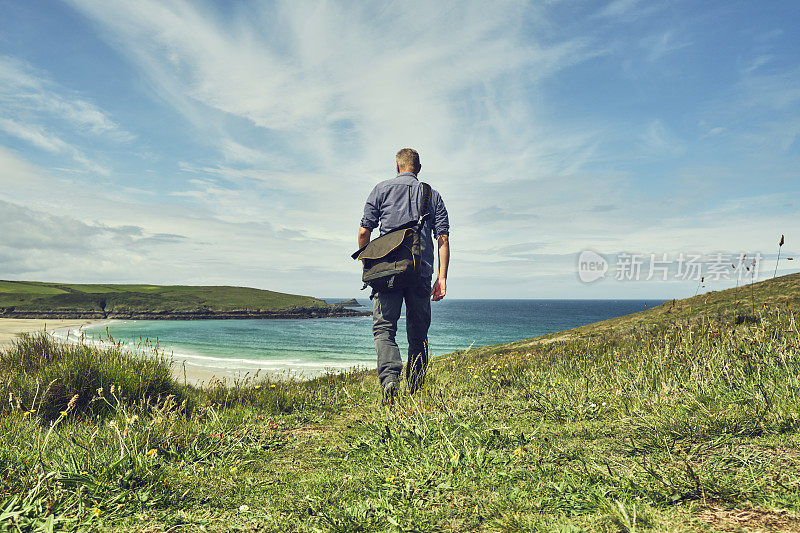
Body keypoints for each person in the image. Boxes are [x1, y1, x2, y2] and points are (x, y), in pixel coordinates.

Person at [357, 148, 450, 403]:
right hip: (420, 271)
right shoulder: (432, 195)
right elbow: (442, 238)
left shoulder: (381, 189)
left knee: (384, 328)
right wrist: (441, 278)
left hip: (387, 270)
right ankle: (415, 389)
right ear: (418, 169)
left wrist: (366, 264)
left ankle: (389, 381)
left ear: (397, 167)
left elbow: (365, 231)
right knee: (418, 332)